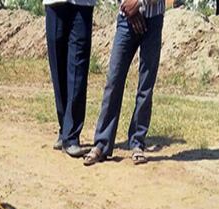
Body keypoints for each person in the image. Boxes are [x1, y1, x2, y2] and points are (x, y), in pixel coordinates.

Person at [82, 0, 164, 166]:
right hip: (126, 18)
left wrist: (139, 2)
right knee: (114, 80)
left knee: (145, 86)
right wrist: (129, 8)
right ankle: (102, 144)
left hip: (153, 18)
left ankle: (137, 142)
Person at [44, 0, 95, 158]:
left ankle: (71, 136)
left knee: (78, 67)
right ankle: (64, 128)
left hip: (82, 5)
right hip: (55, 3)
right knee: (58, 67)